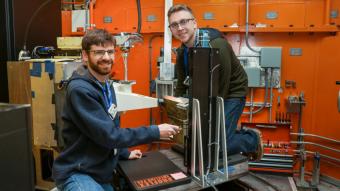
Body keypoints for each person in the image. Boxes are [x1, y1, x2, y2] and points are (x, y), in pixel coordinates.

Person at [52, 28, 180, 191]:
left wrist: (123, 152)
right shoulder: (80, 90)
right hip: (78, 172)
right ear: (85, 56)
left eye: (110, 52)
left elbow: (109, 127)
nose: (106, 57)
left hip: (99, 172)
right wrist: (155, 131)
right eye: (99, 52)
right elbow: (109, 135)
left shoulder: (105, 83)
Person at [167, 4, 263, 160]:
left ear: (194, 23)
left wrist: (207, 118)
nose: (180, 28)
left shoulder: (216, 44)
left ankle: (251, 139)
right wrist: (178, 107)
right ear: (170, 29)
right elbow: (181, 84)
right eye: (174, 24)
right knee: (200, 140)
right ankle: (231, 132)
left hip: (231, 93)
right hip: (206, 93)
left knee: (213, 147)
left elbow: (222, 87)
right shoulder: (182, 52)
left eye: (184, 21)